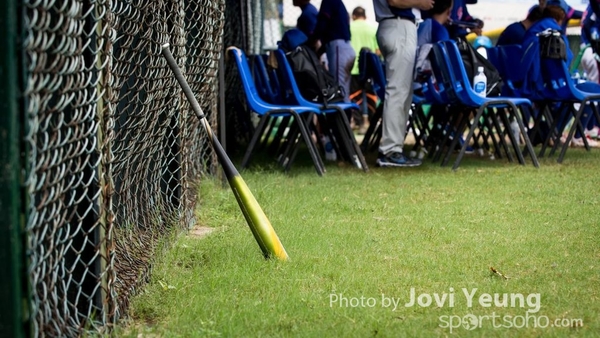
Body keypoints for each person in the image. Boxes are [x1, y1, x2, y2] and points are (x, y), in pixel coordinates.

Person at [373, 0, 434, 167]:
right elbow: (395, 1)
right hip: (398, 25)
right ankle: (390, 151)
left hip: (395, 26)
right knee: (399, 91)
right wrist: (421, 3)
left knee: (401, 91)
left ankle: (392, 149)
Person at [314, 0, 356, 104]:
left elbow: (322, 24)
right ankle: (344, 119)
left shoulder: (329, 1)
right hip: (342, 48)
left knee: (338, 92)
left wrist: (312, 41)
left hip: (338, 48)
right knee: (342, 92)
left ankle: (342, 119)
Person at [349, 6, 380, 133]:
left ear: (354, 16)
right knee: (371, 95)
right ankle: (373, 122)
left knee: (355, 96)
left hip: (353, 68)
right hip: (370, 69)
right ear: (365, 16)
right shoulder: (373, 29)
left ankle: (358, 122)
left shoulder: (349, 28)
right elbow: (378, 51)